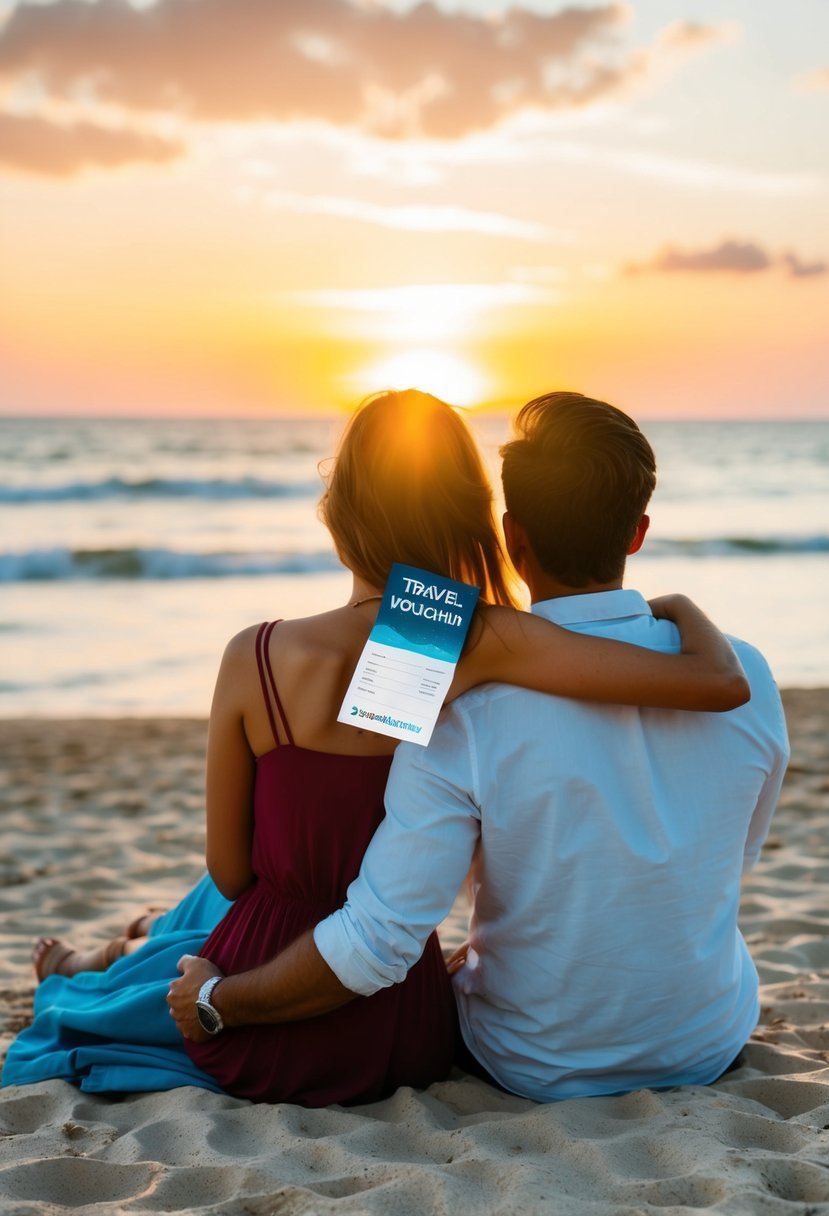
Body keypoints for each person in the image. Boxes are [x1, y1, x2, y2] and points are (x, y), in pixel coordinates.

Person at [5, 390, 746, 1105]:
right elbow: (711, 681)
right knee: (272, 877)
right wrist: (676, 604)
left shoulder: (255, 655)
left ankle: (101, 959)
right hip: (402, 1027)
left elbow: (232, 874)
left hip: (275, 993)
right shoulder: (470, 637)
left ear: (339, 512)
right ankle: (114, 949)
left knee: (239, 889)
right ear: (472, 515)